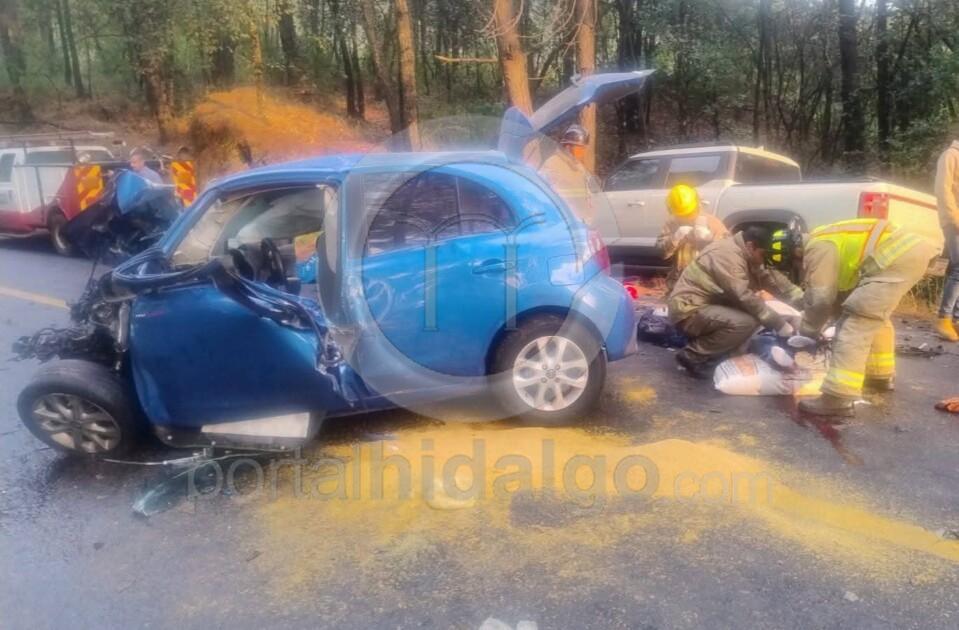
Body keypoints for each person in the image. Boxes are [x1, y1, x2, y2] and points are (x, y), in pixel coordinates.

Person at [767, 218, 941, 417]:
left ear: (796, 252)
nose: (800, 267)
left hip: (897, 255)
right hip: (906, 252)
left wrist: (808, 332)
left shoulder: (817, 247)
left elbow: (821, 298)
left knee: (855, 323)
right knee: (873, 315)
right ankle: (880, 375)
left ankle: (837, 398)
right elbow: (839, 292)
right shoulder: (825, 237)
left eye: (795, 263)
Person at [667, 226, 797, 378]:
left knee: (756, 316)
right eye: (763, 254)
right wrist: (779, 324)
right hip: (688, 309)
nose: (764, 259)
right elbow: (742, 296)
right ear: (751, 246)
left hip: (707, 305)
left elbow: (770, 278)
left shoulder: (746, 253)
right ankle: (692, 355)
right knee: (745, 323)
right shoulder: (727, 255)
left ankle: (720, 354)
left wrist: (800, 300)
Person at [657, 184, 729, 289]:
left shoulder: (712, 222)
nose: (685, 217)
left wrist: (710, 239)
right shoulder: (671, 224)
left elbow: (729, 254)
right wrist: (674, 239)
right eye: (682, 214)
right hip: (680, 282)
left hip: (707, 284)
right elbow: (661, 253)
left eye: (688, 213)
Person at [526, 124, 601, 226]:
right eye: (579, 149)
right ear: (568, 147)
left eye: (583, 149)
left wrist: (589, 214)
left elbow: (586, 193)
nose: (582, 152)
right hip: (564, 224)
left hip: (582, 224)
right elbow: (541, 195)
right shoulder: (552, 164)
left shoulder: (578, 167)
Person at [935, 139, 959, 341]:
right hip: (954, 221)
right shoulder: (951, 155)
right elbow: (942, 190)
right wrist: (955, 219)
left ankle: (956, 320)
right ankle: (944, 318)